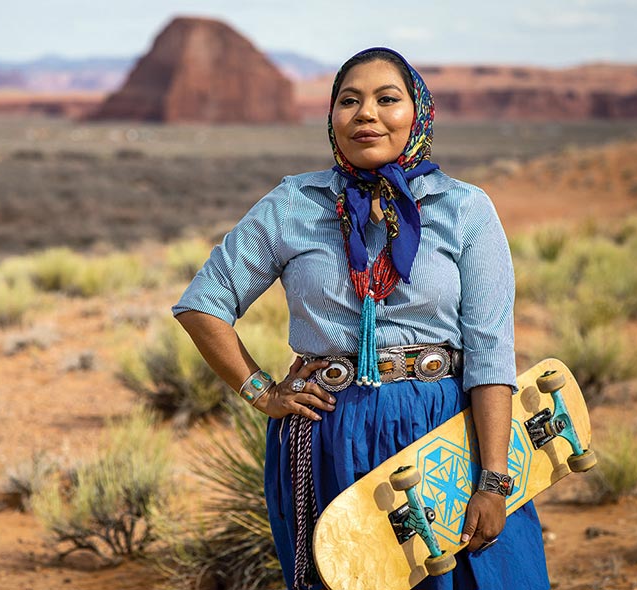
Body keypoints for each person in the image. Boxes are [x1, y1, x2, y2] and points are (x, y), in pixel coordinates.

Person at [172, 47, 550, 590]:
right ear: (332, 117)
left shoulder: (463, 208)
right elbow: (203, 302)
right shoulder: (294, 205)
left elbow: (490, 351)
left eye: (386, 99)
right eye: (349, 101)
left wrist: (492, 479)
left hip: (448, 434)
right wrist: (261, 391)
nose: (366, 114)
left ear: (416, 113)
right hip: (330, 437)